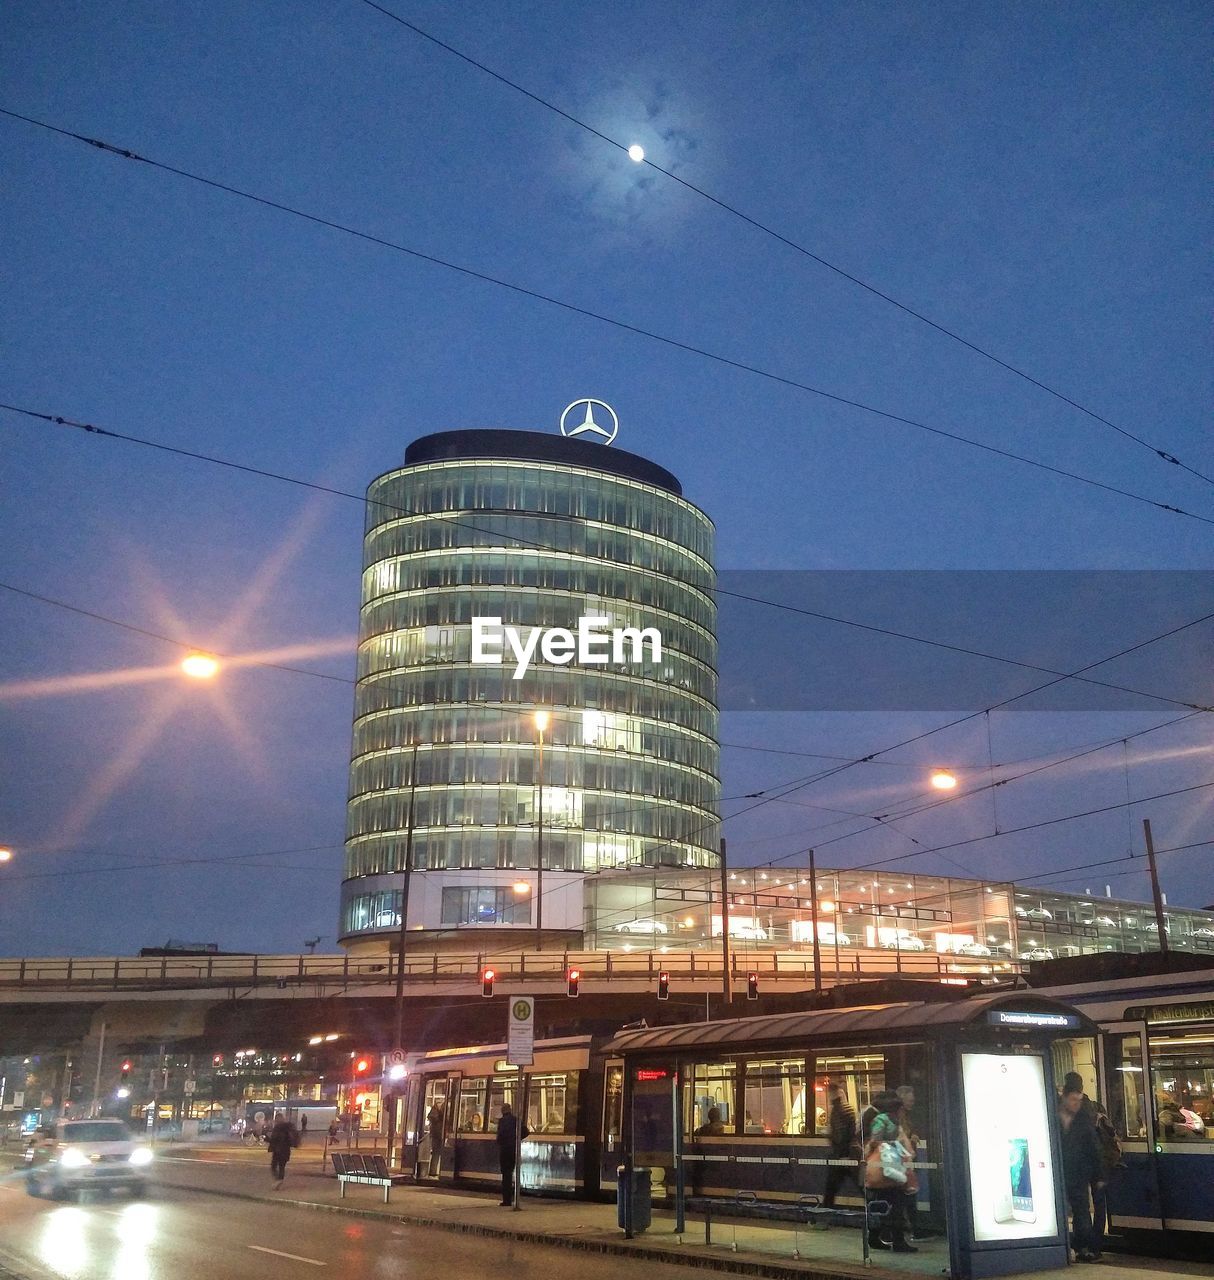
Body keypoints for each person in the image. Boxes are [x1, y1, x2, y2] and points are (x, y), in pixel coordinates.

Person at [865, 1092, 915, 1253]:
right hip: (884, 1168)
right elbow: (875, 1141)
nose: (902, 1111)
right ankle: (896, 1241)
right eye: (900, 1108)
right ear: (895, 1108)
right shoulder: (881, 1120)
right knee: (893, 1205)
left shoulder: (895, 1121)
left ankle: (876, 1238)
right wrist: (893, 1145)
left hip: (892, 1168)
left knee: (889, 1205)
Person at [1059, 1083, 1104, 1262]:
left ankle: (1082, 1247)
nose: (1076, 1103)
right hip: (1061, 1173)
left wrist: (1099, 1175)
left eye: (1078, 1100)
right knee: (1065, 1210)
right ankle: (1067, 1245)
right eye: (1073, 1099)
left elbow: (1094, 1148)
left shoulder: (1083, 1119)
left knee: (1081, 1211)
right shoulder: (1055, 1117)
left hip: (1078, 1174)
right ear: (1065, 1097)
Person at [821, 1084, 858, 1211]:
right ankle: (877, 1212)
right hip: (850, 1154)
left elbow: (839, 1135)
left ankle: (823, 1218)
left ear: (832, 1094)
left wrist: (830, 1136)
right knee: (861, 1186)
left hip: (840, 1155)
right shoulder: (850, 1109)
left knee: (830, 1189)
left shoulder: (837, 1110)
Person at [495, 1103, 529, 1206]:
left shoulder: (502, 1122)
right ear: (510, 1110)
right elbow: (526, 1131)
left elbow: (499, 1137)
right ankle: (515, 1198)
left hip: (505, 1150)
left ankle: (507, 1200)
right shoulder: (516, 1120)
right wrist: (517, 1139)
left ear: (502, 1111)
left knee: (506, 1175)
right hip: (514, 1150)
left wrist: (502, 1142)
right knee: (512, 1172)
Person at [267, 1113, 300, 1183]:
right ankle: (280, 1179)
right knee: (282, 1166)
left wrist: (266, 1138)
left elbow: (274, 1139)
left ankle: (278, 1180)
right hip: (286, 1151)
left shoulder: (277, 1128)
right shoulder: (288, 1127)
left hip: (278, 1150)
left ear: (277, 1119)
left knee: (273, 1166)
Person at [426, 1099, 446, 1177]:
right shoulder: (441, 1111)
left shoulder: (433, 1112)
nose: (440, 1104)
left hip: (436, 1135)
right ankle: (438, 1171)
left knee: (436, 1154)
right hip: (440, 1135)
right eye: (439, 1103)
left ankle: (433, 1171)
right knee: (439, 1153)